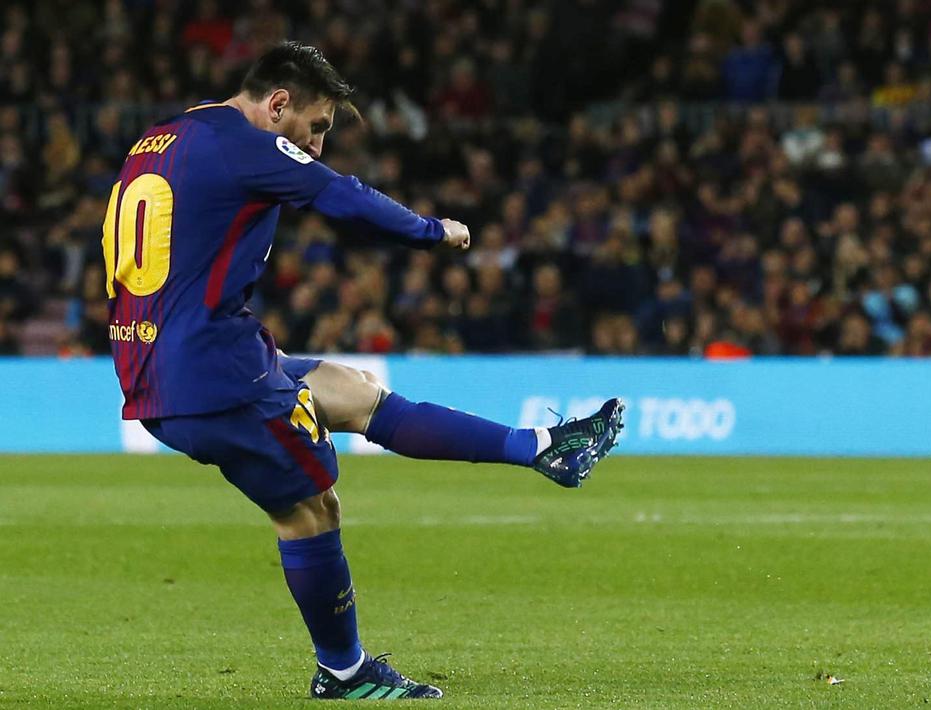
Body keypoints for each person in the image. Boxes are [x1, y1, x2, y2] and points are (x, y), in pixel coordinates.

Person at [101, 42, 624, 701]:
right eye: (315, 127)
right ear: (278, 103)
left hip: (163, 351)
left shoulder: (167, 134)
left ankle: (543, 449)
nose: (316, 145)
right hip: (210, 373)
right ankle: (343, 671)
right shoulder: (249, 145)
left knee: (350, 391)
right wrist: (435, 233)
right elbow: (339, 195)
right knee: (312, 507)